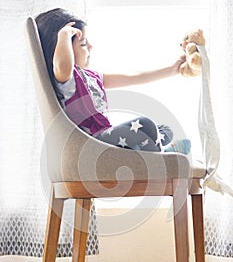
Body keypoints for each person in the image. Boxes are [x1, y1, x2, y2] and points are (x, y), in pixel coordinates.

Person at [35, 8, 191, 154]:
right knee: (145, 124)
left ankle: (156, 150)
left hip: (107, 136)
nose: (90, 46)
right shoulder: (66, 81)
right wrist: (63, 35)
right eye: (83, 44)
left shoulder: (93, 77)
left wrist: (173, 69)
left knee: (164, 130)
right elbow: (62, 66)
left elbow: (134, 76)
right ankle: (163, 155)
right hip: (92, 142)